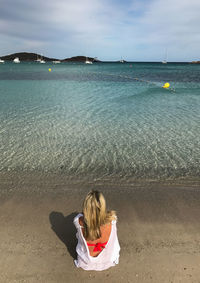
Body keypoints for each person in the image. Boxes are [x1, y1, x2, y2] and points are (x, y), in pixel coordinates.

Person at [73, 190, 120, 271]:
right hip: (107, 261)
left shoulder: (78, 221)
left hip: (87, 262)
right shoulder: (112, 220)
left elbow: (81, 216)